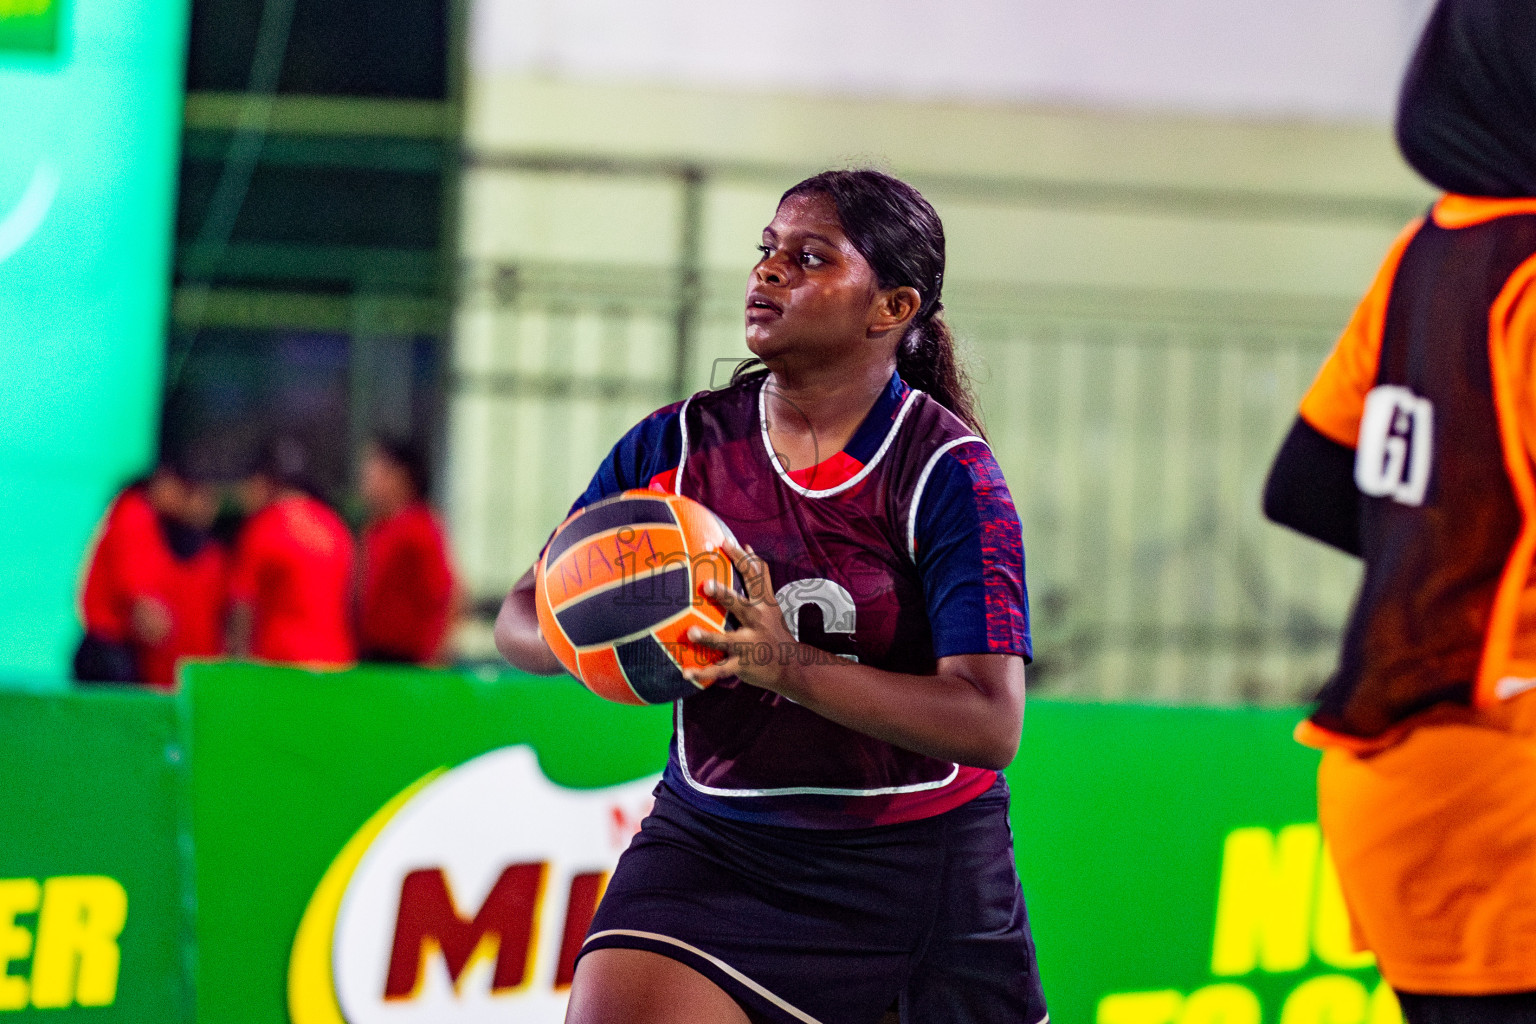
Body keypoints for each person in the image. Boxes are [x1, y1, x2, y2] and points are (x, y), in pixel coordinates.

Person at [496, 170, 1044, 1024]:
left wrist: (784, 663)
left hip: (916, 866)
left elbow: (988, 722)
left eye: (809, 256)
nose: (769, 271)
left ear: (891, 308)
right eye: (768, 250)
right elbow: (519, 616)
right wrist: (592, 632)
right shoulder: (676, 443)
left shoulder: (946, 471)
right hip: (716, 843)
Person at [1263, 1, 1536, 1019]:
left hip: (1397, 787)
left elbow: (1305, 483)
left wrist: (1453, 551)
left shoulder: (1428, 253)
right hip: (1509, 787)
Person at [75, 461, 227, 688]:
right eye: (199, 497)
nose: (206, 509)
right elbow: (144, 609)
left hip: (119, 652)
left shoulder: (154, 527)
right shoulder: (135, 516)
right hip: (109, 653)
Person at [228, 437, 356, 668]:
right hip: (336, 665)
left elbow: (243, 607)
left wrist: (237, 667)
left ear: (262, 483)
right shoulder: (336, 526)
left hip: (281, 668)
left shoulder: (263, 527)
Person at [357, 434, 458, 665]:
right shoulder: (376, 530)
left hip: (409, 661)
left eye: (374, 471)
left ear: (399, 477)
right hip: (374, 654)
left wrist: (434, 658)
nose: (365, 479)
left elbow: (446, 595)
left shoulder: (419, 528)